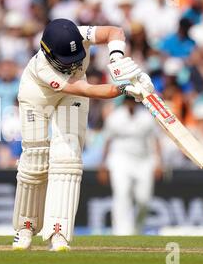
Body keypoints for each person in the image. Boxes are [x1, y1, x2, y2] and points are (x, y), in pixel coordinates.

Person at [12, 18, 154, 251]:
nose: (72, 65)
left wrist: (117, 59)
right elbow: (87, 89)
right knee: (35, 158)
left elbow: (114, 31)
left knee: (67, 158)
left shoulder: (80, 34)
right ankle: (25, 227)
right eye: (65, 62)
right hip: (37, 94)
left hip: (73, 94)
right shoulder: (44, 69)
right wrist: (125, 89)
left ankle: (59, 233)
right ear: (49, 54)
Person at [98, 97, 163, 235]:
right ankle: (121, 232)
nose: (130, 103)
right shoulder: (115, 117)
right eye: (128, 100)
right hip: (120, 160)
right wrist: (103, 165)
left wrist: (158, 163)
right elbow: (107, 141)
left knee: (144, 199)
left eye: (132, 100)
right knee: (121, 194)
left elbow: (156, 140)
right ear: (124, 101)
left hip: (144, 161)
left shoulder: (146, 117)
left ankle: (138, 230)